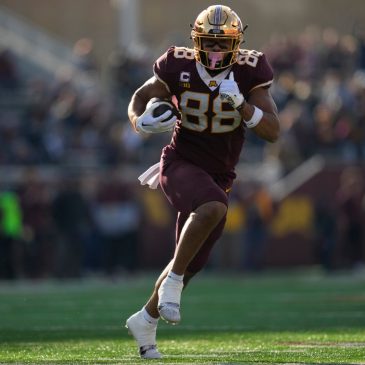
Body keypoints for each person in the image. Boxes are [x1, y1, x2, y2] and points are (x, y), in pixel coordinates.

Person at [125, 4, 280, 359]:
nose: (214, 51)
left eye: (221, 43)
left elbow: (272, 131)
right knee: (212, 207)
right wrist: (139, 122)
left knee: (192, 260)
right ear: (195, 41)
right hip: (180, 162)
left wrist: (241, 104)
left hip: (220, 173)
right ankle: (173, 285)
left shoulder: (250, 71)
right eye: (208, 42)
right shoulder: (175, 64)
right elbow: (139, 98)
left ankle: (145, 319)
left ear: (237, 44)